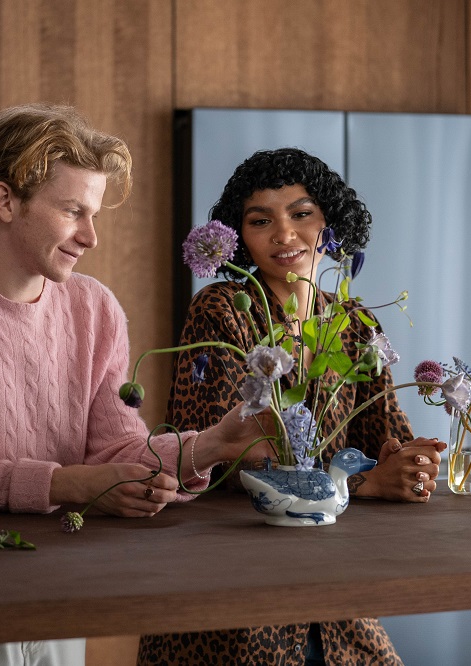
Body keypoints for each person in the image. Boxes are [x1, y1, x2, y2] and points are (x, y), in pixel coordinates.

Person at [0, 103, 265, 666]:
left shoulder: (94, 307)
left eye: (95, 213)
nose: (91, 236)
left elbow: (117, 450)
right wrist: (75, 485)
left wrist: (216, 443)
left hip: (61, 586)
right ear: (6, 201)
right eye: (73, 211)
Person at [137, 148, 447, 665]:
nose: (284, 235)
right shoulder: (221, 311)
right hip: (231, 594)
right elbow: (238, 455)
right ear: (239, 239)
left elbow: (385, 435)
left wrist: (408, 460)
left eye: (301, 214)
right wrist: (365, 483)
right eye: (261, 221)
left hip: (334, 584)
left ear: (330, 224)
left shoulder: (356, 322)